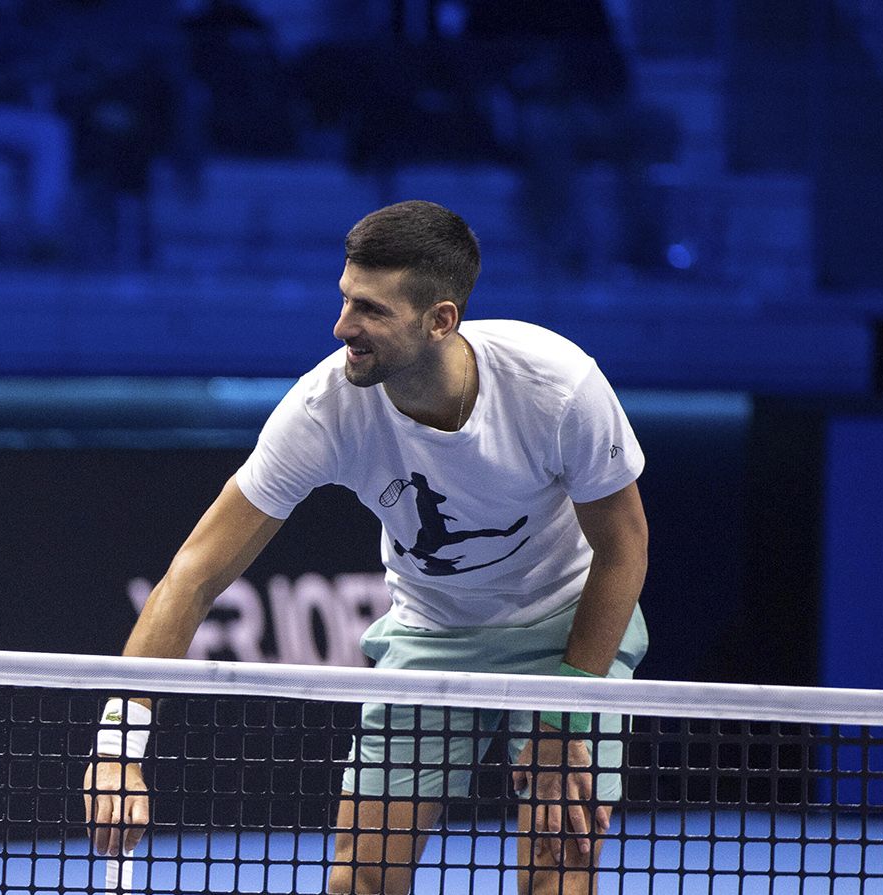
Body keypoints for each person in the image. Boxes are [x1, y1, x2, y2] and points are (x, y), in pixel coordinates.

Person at [84, 200, 649, 895]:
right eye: (346, 298)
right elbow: (195, 572)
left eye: (371, 310)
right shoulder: (324, 410)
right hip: (433, 632)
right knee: (361, 880)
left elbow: (623, 551)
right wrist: (118, 744)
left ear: (441, 319)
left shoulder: (557, 387)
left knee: (558, 871)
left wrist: (567, 716)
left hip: (568, 622)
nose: (342, 326)